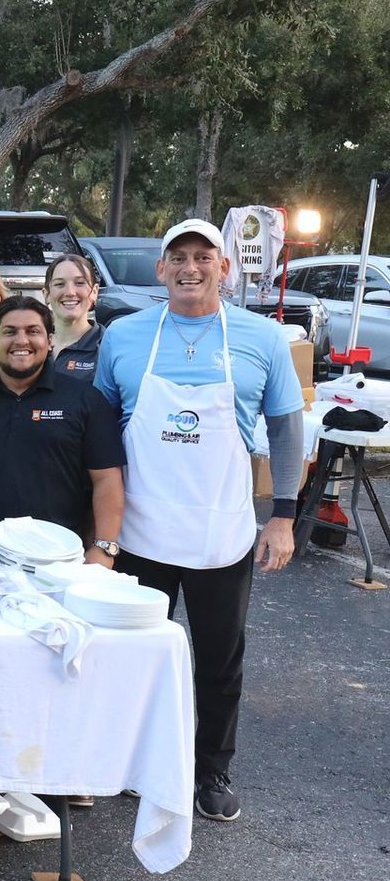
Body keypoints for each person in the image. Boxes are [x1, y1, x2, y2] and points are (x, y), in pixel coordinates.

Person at [94, 218, 304, 824]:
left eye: (203, 257)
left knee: (218, 659)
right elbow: (103, 433)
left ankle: (212, 769)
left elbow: (288, 430)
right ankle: (130, 763)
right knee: (133, 654)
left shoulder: (262, 338)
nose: (190, 267)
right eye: (178, 257)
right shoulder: (125, 337)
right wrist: (98, 527)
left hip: (222, 530)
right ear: (161, 270)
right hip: (138, 530)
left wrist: (283, 516)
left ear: (224, 267)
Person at [0, 296, 125, 543]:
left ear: (49, 341)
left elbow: (107, 480)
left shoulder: (86, 400)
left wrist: (104, 548)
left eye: (33, 331)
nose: (21, 340)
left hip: (61, 554)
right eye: (9, 332)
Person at [45, 254, 104, 380]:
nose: (70, 292)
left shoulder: (108, 346)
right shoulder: (32, 343)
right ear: (46, 294)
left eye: (80, 283)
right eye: (60, 284)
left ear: (94, 292)